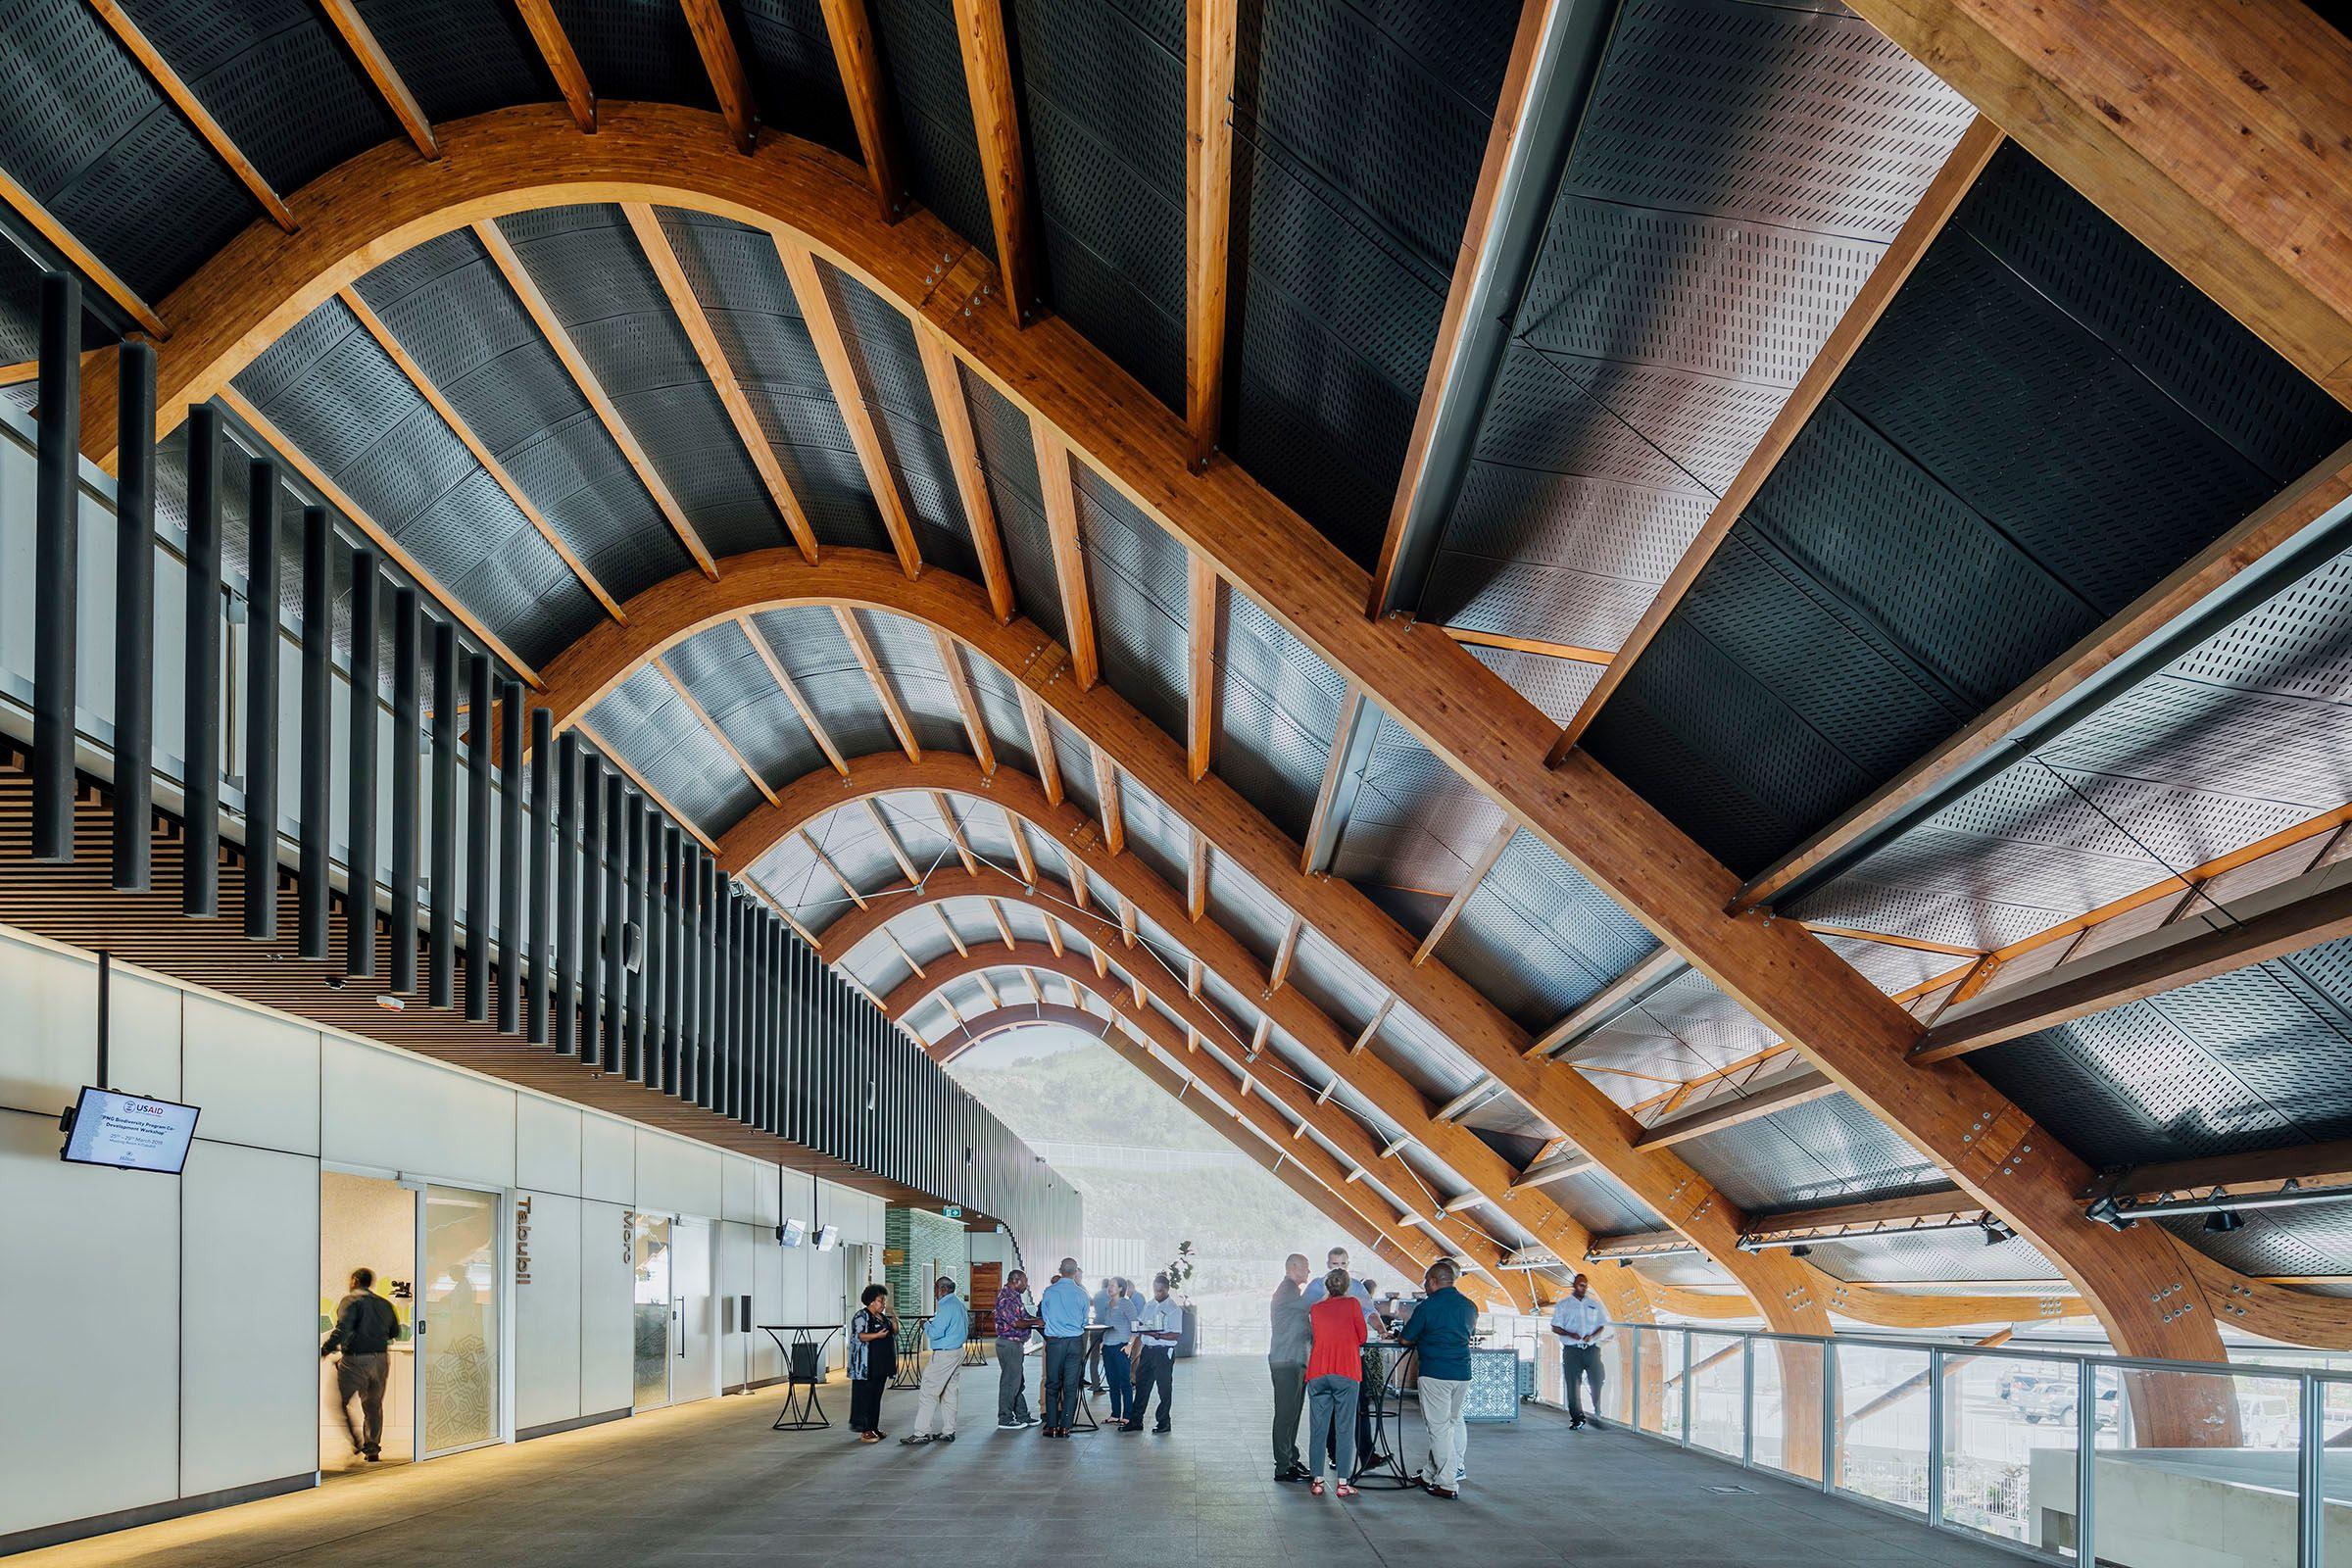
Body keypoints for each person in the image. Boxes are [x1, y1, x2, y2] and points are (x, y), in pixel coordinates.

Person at [1395, 1259, 1476, 1498]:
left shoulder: (1428, 1307)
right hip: (1462, 1374)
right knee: (1447, 1426)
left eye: (1425, 1282)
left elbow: (1406, 1339)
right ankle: (1430, 1474)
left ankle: (1448, 1482)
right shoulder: (1470, 1306)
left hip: (1435, 1373)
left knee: (1438, 1429)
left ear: (1433, 1281)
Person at [320, 1266, 400, 1463]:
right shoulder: (385, 1304)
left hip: (356, 1359)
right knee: (373, 1404)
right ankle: (372, 1449)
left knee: (338, 1402)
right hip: (380, 1359)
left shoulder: (351, 1300)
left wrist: (326, 1348)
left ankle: (356, 1441)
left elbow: (343, 1328)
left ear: (355, 1280)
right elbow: (394, 1332)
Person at [1303, 1266, 1367, 1497]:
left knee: (1318, 1428)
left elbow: (1318, 1336)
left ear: (1326, 1287)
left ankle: (1317, 1481)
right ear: (1347, 1286)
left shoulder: (1316, 1309)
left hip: (1318, 1372)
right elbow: (1362, 1337)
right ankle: (1342, 1483)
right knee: (1344, 1428)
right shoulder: (1352, 1305)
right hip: (1346, 1371)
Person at [903, 1276, 968, 1446]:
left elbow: (935, 1332)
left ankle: (921, 1432)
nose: (934, 1293)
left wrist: (925, 1325)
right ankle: (948, 1431)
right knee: (949, 1392)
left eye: (935, 1289)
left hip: (944, 1355)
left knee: (928, 1391)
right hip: (957, 1351)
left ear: (943, 1290)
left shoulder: (946, 1306)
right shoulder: (959, 1304)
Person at [1268, 1253, 1312, 1482]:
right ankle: (1283, 1466)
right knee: (1286, 1414)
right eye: (1306, 1267)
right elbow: (1309, 1307)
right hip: (1286, 1360)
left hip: (1295, 1359)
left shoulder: (1292, 1290)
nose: (1308, 1271)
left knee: (1293, 1413)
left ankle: (1291, 1458)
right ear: (1293, 1267)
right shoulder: (1287, 1290)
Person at [1038, 1257, 1091, 1438]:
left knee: (1052, 1384)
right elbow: (1085, 1320)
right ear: (1076, 1272)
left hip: (1055, 1342)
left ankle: (1052, 1426)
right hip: (1075, 1343)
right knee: (1070, 1385)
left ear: (1060, 1270)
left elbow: (1045, 1317)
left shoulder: (1049, 1292)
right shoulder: (1082, 1294)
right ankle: (1066, 1426)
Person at [1550, 1271, 1611, 1429]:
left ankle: (1597, 1410)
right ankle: (1577, 1418)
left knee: (1597, 1379)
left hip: (1591, 1349)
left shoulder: (1594, 1304)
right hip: (1572, 1351)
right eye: (1581, 1285)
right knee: (1573, 1384)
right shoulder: (1563, 1305)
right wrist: (1570, 1334)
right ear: (1574, 1285)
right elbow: (1555, 1327)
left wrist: (1592, 1336)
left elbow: (1601, 1325)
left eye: (1585, 1285)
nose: (1583, 1288)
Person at [1129, 1272, 1181, 1434]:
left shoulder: (1173, 1309)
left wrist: (1156, 1334)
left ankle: (1164, 1422)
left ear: (1167, 1290)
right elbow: (1141, 1323)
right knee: (1142, 1386)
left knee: (1163, 1389)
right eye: (1155, 1290)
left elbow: (1176, 1334)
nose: (1157, 1294)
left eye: (1160, 1291)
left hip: (1163, 1353)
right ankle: (1136, 1421)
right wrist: (1139, 1328)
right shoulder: (1149, 1305)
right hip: (1147, 1351)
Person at [994, 1270, 1041, 1430]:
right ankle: (1005, 1419)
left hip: (1015, 1344)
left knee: (1017, 1381)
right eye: (1025, 1282)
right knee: (1010, 1383)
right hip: (1009, 1344)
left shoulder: (1015, 1296)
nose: (1027, 1286)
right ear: (1016, 1281)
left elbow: (1025, 1316)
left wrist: (1037, 1320)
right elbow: (1017, 1322)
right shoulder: (1006, 1298)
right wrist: (1036, 1321)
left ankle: (1022, 1416)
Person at [1102, 1277, 1140, 1428]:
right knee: (1112, 1382)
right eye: (1109, 1286)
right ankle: (1115, 1414)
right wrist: (1103, 1342)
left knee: (1124, 1382)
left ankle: (1127, 1415)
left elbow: (1135, 1325)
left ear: (1120, 1289)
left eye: (1113, 1286)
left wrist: (1130, 1344)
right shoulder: (1108, 1304)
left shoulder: (1126, 1303)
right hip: (1108, 1347)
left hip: (1122, 1346)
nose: (1109, 1288)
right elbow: (1108, 1325)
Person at [1085, 1274, 1112, 1393]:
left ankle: (1095, 1384)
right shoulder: (1111, 1295)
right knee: (1110, 1356)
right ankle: (1113, 1383)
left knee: (1094, 1357)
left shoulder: (1096, 1295)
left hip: (1095, 1326)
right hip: (1107, 1328)